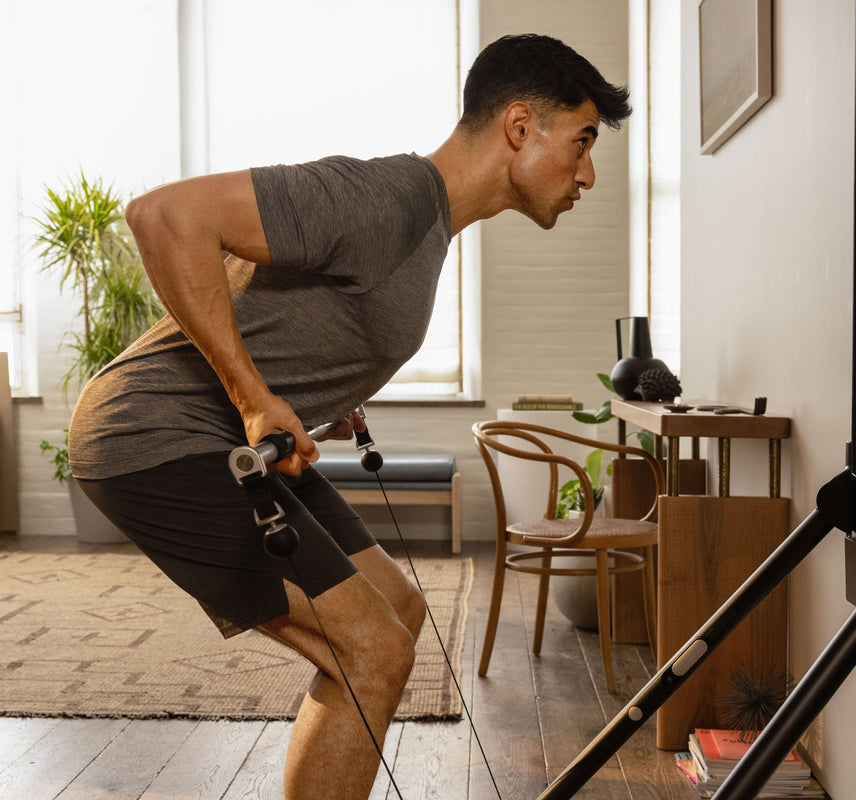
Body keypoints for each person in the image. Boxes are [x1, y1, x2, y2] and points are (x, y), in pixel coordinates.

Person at [67, 33, 630, 800]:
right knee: (369, 651)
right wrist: (251, 397)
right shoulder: (388, 196)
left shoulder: (426, 227)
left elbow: (295, 308)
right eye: (583, 141)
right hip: (152, 435)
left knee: (395, 612)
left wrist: (308, 387)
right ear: (520, 128)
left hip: (209, 435)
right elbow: (164, 216)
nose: (588, 173)